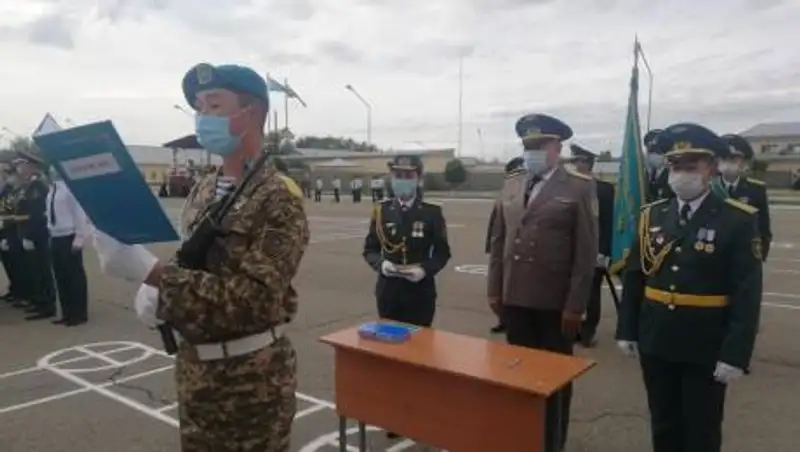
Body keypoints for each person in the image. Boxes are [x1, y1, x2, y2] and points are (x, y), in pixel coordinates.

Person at [95, 63, 310, 451]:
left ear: (253, 114)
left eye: (214, 106)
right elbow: (194, 264)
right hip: (196, 371)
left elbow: (254, 300)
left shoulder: (279, 197)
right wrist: (161, 297)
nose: (203, 117)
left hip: (253, 381)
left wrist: (155, 274)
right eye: (199, 107)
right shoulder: (204, 189)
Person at [615, 123, 762, 452]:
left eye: (691, 165)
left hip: (705, 344)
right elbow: (636, 276)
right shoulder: (652, 215)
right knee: (663, 424)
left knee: (701, 430)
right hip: (657, 337)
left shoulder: (737, 219)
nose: (682, 173)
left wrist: (735, 353)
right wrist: (627, 328)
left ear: (710, 167)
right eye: (675, 166)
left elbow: (747, 293)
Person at [487, 113, 597, 452]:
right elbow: (498, 242)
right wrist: (494, 289)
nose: (532, 151)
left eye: (539, 145)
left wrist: (576, 305)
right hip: (515, 300)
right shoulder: (512, 184)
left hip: (554, 305)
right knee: (518, 377)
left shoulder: (578, 186)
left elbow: (585, 253)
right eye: (527, 145)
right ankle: (522, 440)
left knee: (554, 382)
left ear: (556, 147)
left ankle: (551, 443)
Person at [362, 154, 451, 440]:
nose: (402, 181)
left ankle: (419, 411)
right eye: (398, 175)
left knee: (419, 356)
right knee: (391, 356)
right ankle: (395, 415)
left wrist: (425, 270)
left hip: (420, 293)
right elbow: (370, 249)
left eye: (408, 176)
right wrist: (381, 264)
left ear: (419, 179)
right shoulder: (381, 210)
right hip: (389, 293)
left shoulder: (432, 212)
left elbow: (442, 252)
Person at [569, 144, 615, 347]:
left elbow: (609, 221)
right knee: (572, 291)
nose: (577, 165)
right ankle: (572, 327)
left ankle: (588, 332)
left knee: (592, 293)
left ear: (589, 163)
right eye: (575, 161)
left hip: (594, 249)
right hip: (570, 249)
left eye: (580, 161)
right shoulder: (566, 187)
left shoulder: (604, 190)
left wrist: (603, 251)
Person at [14, 151, 56, 321]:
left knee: (42, 270)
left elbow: (38, 213)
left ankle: (47, 305)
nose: (19, 169)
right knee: (35, 270)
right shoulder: (28, 185)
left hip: (38, 234)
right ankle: (39, 302)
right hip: (30, 234)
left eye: (22, 165)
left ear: (31, 166)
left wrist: (29, 234)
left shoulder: (38, 185)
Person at [484, 156, 524, 334]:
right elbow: (495, 225)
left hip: (518, 252)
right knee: (501, 287)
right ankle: (503, 319)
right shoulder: (505, 193)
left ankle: (510, 319)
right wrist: (490, 246)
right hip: (503, 248)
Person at [46, 166, 90, 326]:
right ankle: (66, 312)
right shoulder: (52, 189)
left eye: (54, 169)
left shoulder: (70, 189)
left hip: (69, 236)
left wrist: (79, 238)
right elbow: (49, 214)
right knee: (61, 277)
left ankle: (79, 313)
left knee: (74, 276)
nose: (52, 172)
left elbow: (80, 214)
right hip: (55, 236)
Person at [719, 133, 771, 261]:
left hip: (745, 252)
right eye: (724, 158)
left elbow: (763, 225)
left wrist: (760, 255)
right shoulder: (708, 187)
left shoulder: (756, 189)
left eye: (734, 159)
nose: (729, 163)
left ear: (743, 162)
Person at [644, 129, 674, 202]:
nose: (652, 154)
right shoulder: (643, 175)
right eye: (650, 151)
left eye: (656, 150)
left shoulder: (674, 175)